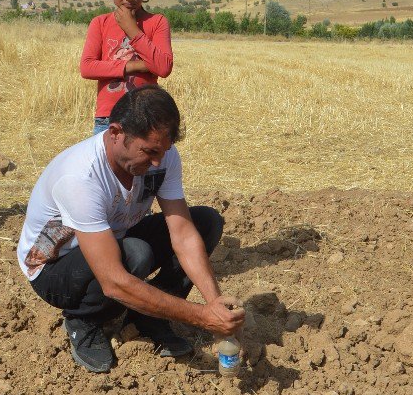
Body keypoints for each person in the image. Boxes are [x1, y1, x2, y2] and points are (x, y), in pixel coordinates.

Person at [17, 85, 244, 372]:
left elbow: (184, 236)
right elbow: (113, 280)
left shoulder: (161, 157)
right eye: (149, 152)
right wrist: (201, 317)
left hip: (113, 240)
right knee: (136, 254)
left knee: (206, 222)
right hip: (54, 269)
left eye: (163, 151)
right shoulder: (80, 176)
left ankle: (148, 318)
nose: (157, 162)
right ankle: (84, 319)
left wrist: (216, 306)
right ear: (115, 133)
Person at [80, 0, 173, 136]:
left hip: (147, 116)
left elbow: (163, 67)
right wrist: (136, 66)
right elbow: (87, 67)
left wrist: (132, 29)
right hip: (109, 119)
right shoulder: (100, 23)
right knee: (109, 166)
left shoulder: (157, 22)